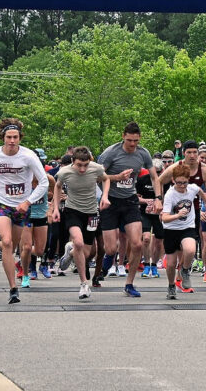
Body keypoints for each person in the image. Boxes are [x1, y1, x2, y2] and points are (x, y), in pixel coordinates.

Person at [0, 118, 49, 304]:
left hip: (21, 206)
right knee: (7, 242)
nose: (12, 141)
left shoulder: (28, 156)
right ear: (3, 137)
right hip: (0, 203)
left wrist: (28, 201)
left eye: (15, 137)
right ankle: (13, 288)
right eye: (9, 137)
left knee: (14, 246)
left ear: (20, 138)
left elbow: (44, 182)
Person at [99, 122, 162, 297]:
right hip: (110, 201)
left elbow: (154, 177)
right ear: (123, 136)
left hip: (130, 201)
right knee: (111, 248)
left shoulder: (143, 153)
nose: (132, 144)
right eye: (129, 140)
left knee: (137, 243)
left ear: (139, 138)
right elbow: (98, 176)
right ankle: (107, 259)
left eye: (135, 140)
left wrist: (158, 199)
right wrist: (117, 177)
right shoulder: (111, 153)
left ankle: (129, 283)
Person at [53, 146, 110, 299]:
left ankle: (70, 253)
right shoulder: (64, 172)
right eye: (79, 165)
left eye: (85, 165)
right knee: (78, 242)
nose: (83, 169)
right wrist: (56, 209)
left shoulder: (96, 168)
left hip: (91, 212)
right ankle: (84, 284)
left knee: (84, 252)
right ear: (73, 162)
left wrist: (105, 196)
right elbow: (57, 187)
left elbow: (106, 179)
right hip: (73, 211)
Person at [160, 163, 206, 299]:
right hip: (171, 230)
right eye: (179, 183)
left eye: (184, 183)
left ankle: (185, 270)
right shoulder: (170, 195)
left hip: (187, 227)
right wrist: (177, 215)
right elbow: (164, 218)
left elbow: (200, 191)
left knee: (190, 250)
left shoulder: (192, 188)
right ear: (173, 180)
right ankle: (171, 285)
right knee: (170, 264)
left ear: (188, 180)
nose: (182, 186)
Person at [137, 158, 165, 278]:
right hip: (145, 213)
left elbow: (170, 199)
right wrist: (145, 201)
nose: (157, 174)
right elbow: (136, 197)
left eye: (159, 172)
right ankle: (146, 263)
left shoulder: (166, 181)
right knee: (146, 238)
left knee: (159, 241)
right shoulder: (142, 180)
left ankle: (154, 265)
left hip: (159, 214)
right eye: (155, 172)